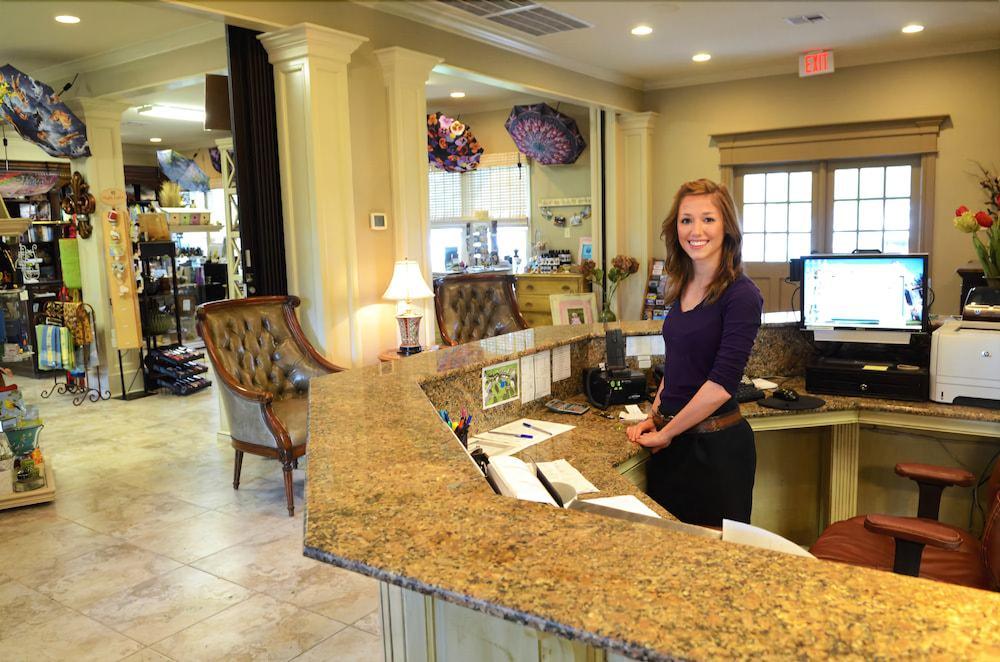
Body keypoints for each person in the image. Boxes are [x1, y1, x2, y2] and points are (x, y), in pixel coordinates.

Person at [626, 179, 763, 526]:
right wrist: (653, 417)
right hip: (674, 448)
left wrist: (668, 431)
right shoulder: (682, 285)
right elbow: (676, 368)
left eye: (708, 219)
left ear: (727, 227)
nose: (695, 230)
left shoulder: (742, 295)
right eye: (686, 220)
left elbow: (721, 384)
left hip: (715, 451)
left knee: (711, 566)